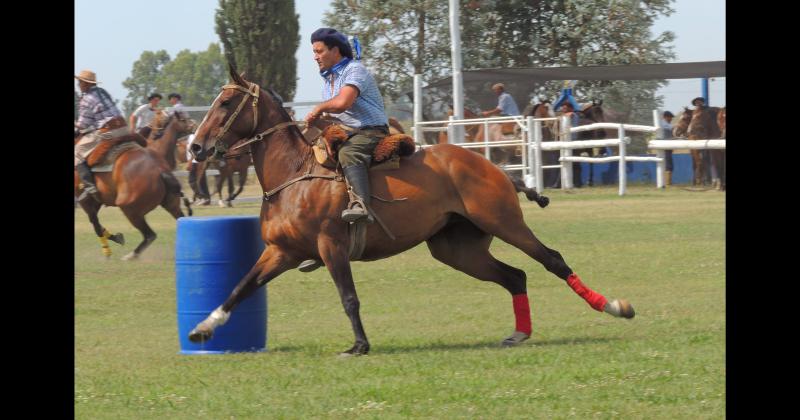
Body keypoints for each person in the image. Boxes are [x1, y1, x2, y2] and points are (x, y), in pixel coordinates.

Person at [304, 27, 388, 223]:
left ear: (335, 51)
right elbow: (336, 118)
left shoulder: (354, 70)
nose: (315, 57)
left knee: (349, 152)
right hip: (349, 133)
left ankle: (361, 205)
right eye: (314, 52)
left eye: (319, 51)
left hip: (371, 132)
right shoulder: (329, 80)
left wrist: (319, 108)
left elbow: (343, 103)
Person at [74, 69, 127, 202]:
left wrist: (76, 126)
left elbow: (83, 125)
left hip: (109, 132)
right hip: (124, 128)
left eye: (80, 82)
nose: (78, 84)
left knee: (78, 152)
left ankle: (89, 187)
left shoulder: (86, 98)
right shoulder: (103, 92)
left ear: (86, 84)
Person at [185, 134, 211, 205]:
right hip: (198, 161)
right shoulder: (191, 136)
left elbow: (194, 150)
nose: (191, 125)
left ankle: (202, 198)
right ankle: (207, 199)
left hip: (195, 162)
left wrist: (190, 161)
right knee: (202, 181)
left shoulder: (194, 136)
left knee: (192, 181)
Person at [658, 111, 675, 185]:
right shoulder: (663, 124)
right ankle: (667, 182)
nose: (671, 119)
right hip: (665, 145)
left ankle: (668, 181)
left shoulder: (668, 124)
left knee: (669, 161)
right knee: (668, 162)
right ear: (665, 117)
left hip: (668, 145)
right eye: (670, 117)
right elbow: (671, 129)